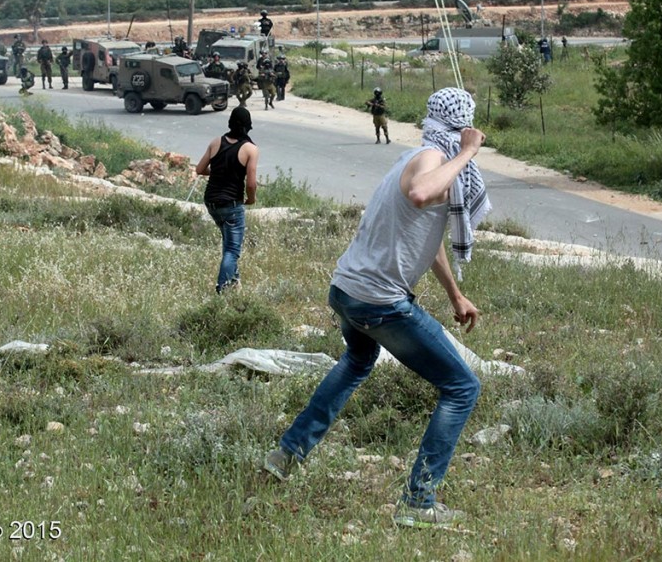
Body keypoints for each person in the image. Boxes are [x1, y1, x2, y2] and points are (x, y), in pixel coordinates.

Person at [263, 86, 491, 530]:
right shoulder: (432, 160)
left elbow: (426, 231)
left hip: (346, 290)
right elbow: (423, 196)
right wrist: (468, 152)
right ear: (460, 125)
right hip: (378, 301)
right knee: (462, 388)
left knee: (356, 360)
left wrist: (454, 295)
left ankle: (287, 453)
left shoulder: (416, 158)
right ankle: (418, 503)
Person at [194, 106, 259, 294]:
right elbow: (251, 183)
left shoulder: (216, 142)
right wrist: (251, 199)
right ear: (247, 127)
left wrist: (219, 172)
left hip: (211, 202)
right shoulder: (250, 149)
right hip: (231, 204)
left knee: (228, 243)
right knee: (232, 250)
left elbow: (199, 169)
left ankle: (234, 282)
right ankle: (222, 290)